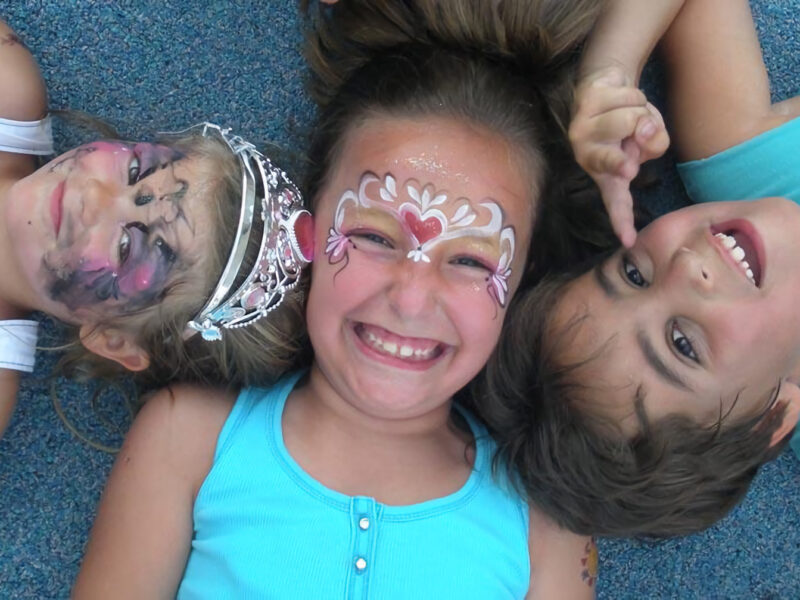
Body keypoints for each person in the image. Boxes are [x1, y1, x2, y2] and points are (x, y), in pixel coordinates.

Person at [72, 0, 604, 597]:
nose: (410, 300)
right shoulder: (187, 438)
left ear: (523, 285)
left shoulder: (546, 524)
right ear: (305, 230)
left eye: (471, 262)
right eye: (374, 237)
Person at [475, 0, 800, 538]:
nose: (684, 268)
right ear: (773, 417)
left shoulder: (739, 159)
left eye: (633, 275)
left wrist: (608, 77)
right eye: (682, 344)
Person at [0, 19, 312, 438]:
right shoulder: (8, 85)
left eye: (127, 246)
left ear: (113, 340)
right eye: (135, 170)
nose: (93, 195)